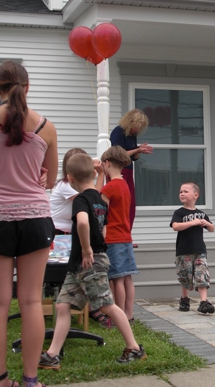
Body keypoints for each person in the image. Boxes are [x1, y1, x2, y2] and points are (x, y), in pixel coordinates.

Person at [0, 60, 58, 387]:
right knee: (32, 300)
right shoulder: (46, 127)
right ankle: (31, 379)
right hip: (36, 218)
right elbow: (48, 181)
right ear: (27, 86)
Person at [38, 153, 146, 370]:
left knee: (107, 305)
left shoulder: (81, 200)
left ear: (69, 177)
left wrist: (88, 249)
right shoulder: (97, 198)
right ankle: (52, 355)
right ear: (93, 173)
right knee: (62, 304)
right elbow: (102, 227)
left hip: (89, 261)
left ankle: (134, 347)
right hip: (79, 264)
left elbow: (83, 223)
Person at [50, 147, 113, 329]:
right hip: (61, 236)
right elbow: (93, 199)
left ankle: (94, 309)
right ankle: (94, 309)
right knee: (76, 278)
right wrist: (98, 175)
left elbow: (93, 199)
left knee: (82, 277)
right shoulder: (65, 186)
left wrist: (98, 174)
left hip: (75, 237)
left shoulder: (79, 191)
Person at [99, 145, 138, 323]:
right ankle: (128, 315)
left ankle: (117, 316)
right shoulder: (124, 185)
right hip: (126, 237)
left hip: (112, 237)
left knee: (116, 279)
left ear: (107, 163)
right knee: (127, 277)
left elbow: (99, 213)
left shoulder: (109, 188)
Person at [170, 182, 215, 314]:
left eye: (185, 191)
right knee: (185, 277)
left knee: (201, 275)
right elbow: (175, 226)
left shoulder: (201, 214)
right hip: (183, 251)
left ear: (195, 195)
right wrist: (192, 222)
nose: (182, 194)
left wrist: (207, 223)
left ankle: (204, 302)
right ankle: (184, 299)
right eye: (180, 192)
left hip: (200, 250)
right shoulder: (179, 212)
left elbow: (212, 229)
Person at [109, 109, 152, 229]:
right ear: (129, 122)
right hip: (118, 170)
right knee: (120, 202)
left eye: (139, 127)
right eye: (135, 126)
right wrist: (137, 150)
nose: (137, 129)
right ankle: (119, 231)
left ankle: (128, 232)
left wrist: (140, 150)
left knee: (130, 203)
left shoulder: (133, 136)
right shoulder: (119, 131)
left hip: (128, 170)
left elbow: (133, 157)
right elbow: (117, 153)